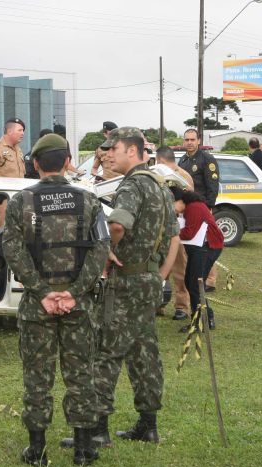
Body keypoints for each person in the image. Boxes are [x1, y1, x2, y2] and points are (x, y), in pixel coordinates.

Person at [3, 133, 110, 467]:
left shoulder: (21, 202)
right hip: (79, 306)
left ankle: (37, 450)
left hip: (38, 305)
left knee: (37, 376)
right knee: (81, 374)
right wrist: (75, 292)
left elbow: (12, 250)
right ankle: (84, 449)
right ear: (67, 162)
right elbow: (102, 249)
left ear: (35, 164)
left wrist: (42, 291)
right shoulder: (89, 201)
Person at [91, 127, 179, 444]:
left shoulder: (132, 186)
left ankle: (96, 429)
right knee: (145, 352)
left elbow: (117, 224)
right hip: (149, 281)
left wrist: (105, 253)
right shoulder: (160, 185)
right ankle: (148, 424)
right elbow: (174, 237)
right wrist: (160, 275)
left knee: (106, 351)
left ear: (132, 150)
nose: (107, 154)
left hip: (125, 280)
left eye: (112, 149)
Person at [171, 188, 224, 332]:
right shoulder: (189, 208)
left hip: (207, 247)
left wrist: (169, 233)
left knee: (195, 284)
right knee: (191, 282)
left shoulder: (194, 208)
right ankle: (206, 318)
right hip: (201, 248)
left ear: (179, 200)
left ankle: (200, 322)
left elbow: (189, 233)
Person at [179, 128, 220, 291]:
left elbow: (212, 186)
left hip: (203, 209)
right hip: (188, 209)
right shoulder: (183, 161)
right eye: (187, 140)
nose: (189, 142)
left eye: (192, 140)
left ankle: (210, 279)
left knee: (205, 244)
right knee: (192, 244)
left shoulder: (207, 159)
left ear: (198, 141)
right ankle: (197, 275)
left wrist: (207, 208)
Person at [156, 146, 194, 321]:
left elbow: (187, 202)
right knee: (158, 266)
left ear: (161, 160)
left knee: (180, 268)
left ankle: (182, 306)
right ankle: (157, 303)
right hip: (158, 228)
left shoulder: (183, 176)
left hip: (177, 227)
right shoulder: (156, 174)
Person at [0, 118, 26, 232]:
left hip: (18, 199)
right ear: (9, 131)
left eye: (23, 131)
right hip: (2, 200)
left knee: (18, 233)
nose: (23, 133)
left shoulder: (18, 150)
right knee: (2, 233)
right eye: (20, 130)